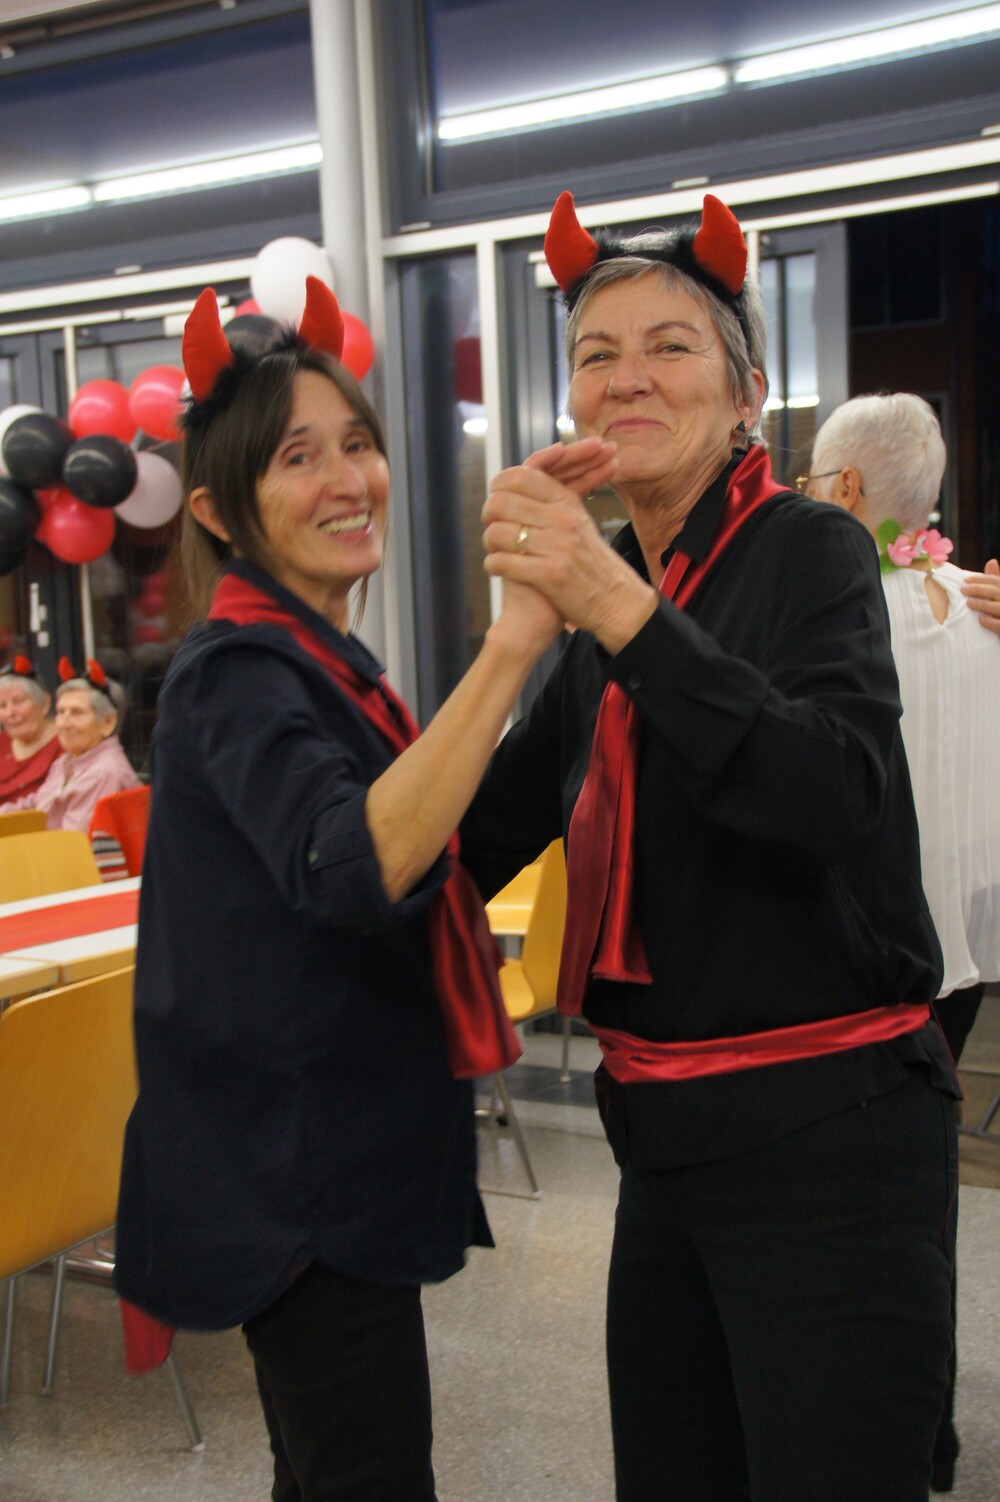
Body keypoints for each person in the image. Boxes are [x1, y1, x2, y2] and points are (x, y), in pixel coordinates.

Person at [462, 192, 959, 1502]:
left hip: (831, 1135)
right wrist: (515, 639)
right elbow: (475, 834)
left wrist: (614, 605)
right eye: (595, 353)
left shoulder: (811, 549)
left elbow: (832, 793)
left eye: (668, 345)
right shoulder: (602, 617)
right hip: (660, 1140)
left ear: (748, 396)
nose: (625, 375)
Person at [113, 279, 601, 1502]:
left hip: (334, 1155)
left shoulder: (322, 661)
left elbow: (437, 839)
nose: (349, 480)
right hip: (296, 1180)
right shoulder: (235, 675)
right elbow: (354, 866)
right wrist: (513, 639)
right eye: (297, 456)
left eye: (358, 443)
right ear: (218, 510)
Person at [806, 391, 1000, 1494]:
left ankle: (875, 1419)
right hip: (962, 951)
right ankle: (931, 1429)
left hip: (867, 950)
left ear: (844, 490)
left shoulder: (834, 615)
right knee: (928, 1184)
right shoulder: (975, 603)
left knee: (859, 1203)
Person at [5, 657, 139, 831]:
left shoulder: (102, 773)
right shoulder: (66, 762)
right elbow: (36, 805)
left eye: (77, 713)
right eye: (61, 712)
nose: (64, 723)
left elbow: (71, 842)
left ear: (108, 722)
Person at [0, 656, 60, 805]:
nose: (10, 713)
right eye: (2, 706)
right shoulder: (2, 742)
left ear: (45, 703)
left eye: (19, 701)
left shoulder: (65, 745)